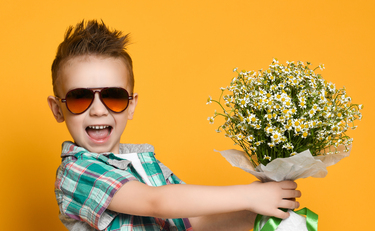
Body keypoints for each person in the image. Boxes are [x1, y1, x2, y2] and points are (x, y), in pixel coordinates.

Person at [47, 20, 301, 231]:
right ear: (58, 109)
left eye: (113, 96)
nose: (98, 109)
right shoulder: (77, 171)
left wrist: (255, 213)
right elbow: (156, 202)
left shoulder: (146, 165)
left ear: (131, 104)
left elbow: (191, 220)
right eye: (79, 98)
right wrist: (249, 196)